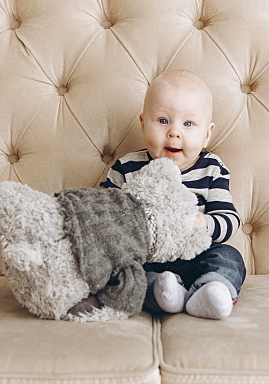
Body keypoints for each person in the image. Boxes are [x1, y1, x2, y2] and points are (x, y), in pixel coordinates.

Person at [101, 69, 246, 320]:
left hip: (200, 255)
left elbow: (229, 219)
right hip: (149, 258)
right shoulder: (126, 167)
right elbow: (102, 214)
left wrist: (203, 223)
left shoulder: (212, 169)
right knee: (125, 273)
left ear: (207, 134)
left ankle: (213, 290)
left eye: (188, 124)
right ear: (143, 123)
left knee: (229, 257)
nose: (174, 132)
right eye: (163, 121)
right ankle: (164, 293)